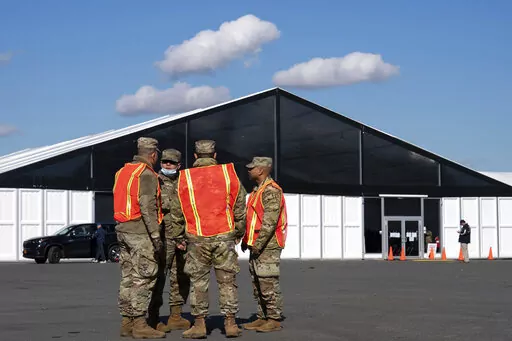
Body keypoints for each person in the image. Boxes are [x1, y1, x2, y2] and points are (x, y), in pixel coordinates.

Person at [173, 140, 247, 339]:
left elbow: (176, 211)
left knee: (198, 282)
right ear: (215, 155)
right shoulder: (228, 174)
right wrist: (238, 232)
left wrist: (179, 237)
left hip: (197, 238)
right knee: (227, 281)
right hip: (224, 237)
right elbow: (240, 205)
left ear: (195, 156)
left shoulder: (185, 177)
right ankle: (230, 323)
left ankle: (199, 324)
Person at [112, 137, 165, 339]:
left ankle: (127, 322)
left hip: (122, 230)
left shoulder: (122, 172)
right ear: (153, 155)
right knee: (144, 277)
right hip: (140, 232)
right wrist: (155, 237)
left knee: (127, 277)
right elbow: (147, 207)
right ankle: (140, 324)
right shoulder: (146, 174)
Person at [241, 157, 287, 333]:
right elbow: (253, 220)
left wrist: (258, 244)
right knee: (257, 281)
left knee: (268, 282)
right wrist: (247, 240)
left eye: (252, 168)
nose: (249, 170)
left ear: (261, 170)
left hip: (268, 244)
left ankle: (273, 319)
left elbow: (269, 222)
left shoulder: (271, 191)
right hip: (257, 244)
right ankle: (262, 316)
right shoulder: (257, 190)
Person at [149, 148, 191, 333]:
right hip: (164, 237)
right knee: (159, 277)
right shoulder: (154, 181)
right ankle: (153, 317)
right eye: (165, 162)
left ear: (178, 165)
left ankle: (176, 315)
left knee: (181, 277)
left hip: (182, 237)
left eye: (172, 163)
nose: (167, 165)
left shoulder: (184, 183)